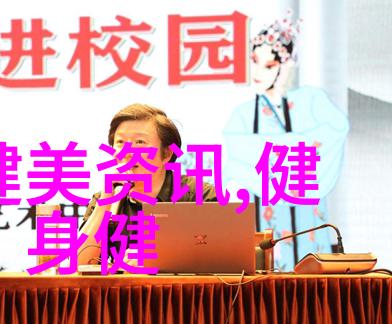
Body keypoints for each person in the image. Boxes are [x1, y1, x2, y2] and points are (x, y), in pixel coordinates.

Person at [223, 13, 349, 271]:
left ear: (285, 65)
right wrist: (291, 148)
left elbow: (335, 132)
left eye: (269, 65)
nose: (259, 72)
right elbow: (235, 155)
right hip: (265, 210)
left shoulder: (311, 100)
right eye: (255, 61)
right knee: (268, 268)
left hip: (307, 214)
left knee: (312, 275)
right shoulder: (243, 114)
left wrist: (277, 150)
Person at [77, 103, 216, 266]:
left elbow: (225, 255)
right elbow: (80, 262)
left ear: (167, 154)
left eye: (140, 142)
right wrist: (106, 199)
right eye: (120, 142)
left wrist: (159, 258)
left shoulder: (199, 195)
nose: (127, 152)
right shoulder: (106, 198)